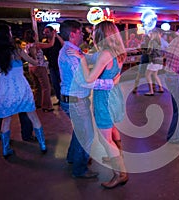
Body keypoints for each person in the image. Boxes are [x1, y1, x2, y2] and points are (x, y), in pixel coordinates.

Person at [68, 21, 128, 189]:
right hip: (114, 96)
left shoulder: (105, 54)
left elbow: (88, 79)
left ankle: (120, 174)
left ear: (100, 34)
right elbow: (115, 77)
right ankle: (117, 157)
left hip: (104, 100)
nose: (92, 33)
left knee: (105, 140)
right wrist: (84, 55)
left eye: (94, 31)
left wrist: (80, 59)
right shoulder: (118, 52)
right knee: (112, 131)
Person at [58, 20, 116, 179]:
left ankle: (73, 158)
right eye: (80, 32)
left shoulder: (72, 50)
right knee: (87, 135)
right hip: (75, 100)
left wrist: (86, 58)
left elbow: (88, 61)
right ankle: (80, 169)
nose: (83, 34)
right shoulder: (70, 54)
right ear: (72, 34)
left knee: (80, 132)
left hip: (73, 98)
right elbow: (85, 81)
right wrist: (110, 82)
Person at [0, 24, 47, 158]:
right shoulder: (17, 51)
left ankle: (5, 149)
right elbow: (35, 62)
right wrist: (34, 54)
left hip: (4, 89)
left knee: (6, 120)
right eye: (9, 31)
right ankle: (42, 145)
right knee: (33, 116)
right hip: (20, 87)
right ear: (6, 35)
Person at [24, 29, 56, 112]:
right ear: (34, 36)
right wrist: (54, 35)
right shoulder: (37, 45)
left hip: (31, 67)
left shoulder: (27, 46)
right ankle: (46, 106)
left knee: (37, 86)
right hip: (39, 67)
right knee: (46, 87)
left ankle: (37, 103)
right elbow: (50, 44)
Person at [42, 26, 64, 105]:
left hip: (59, 65)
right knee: (55, 84)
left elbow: (63, 44)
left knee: (62, 83)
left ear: (52, 32)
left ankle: (63, 100)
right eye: (45, 32)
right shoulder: (45, 42)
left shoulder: (57, 40)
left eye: (47, 32)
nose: (45, 34)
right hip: (52, 65)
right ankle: (59, 99)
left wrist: (57, 35)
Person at [144, 30, 164, 96]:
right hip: (160, 61)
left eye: (151, 34)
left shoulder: (152, 41)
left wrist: (145, 52)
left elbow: (149, 51)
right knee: (155, 75)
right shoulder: (159, 42)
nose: (150, 35)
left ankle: (151, 91)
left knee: (147, 75)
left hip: (154, 60)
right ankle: (161, 88)